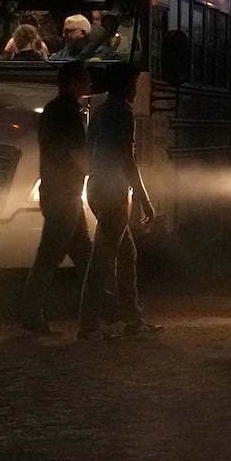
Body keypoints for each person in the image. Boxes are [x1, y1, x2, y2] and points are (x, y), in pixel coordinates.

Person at [76, 62, 161, 339]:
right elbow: (128, 159)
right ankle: (89, 325)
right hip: (113, 192)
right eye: (134, 83)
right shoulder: (123, 112)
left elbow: (88, 151)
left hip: (96, 187)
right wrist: (143, 198)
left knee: (124, 254)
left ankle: (132, 320)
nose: (136, 88)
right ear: (127, 85)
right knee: (103, 259)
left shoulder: (100, 110)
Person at [18, 61, 94, 335]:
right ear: (73, 83)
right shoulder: (68, 114)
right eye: (85, 79)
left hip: (57, 191)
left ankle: (104, 306)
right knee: (52, 255)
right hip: (65, 194)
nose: (89, 83)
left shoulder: (53, 110)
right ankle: (32, 312)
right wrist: (95, 174)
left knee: (84, 253)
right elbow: (77, 154)